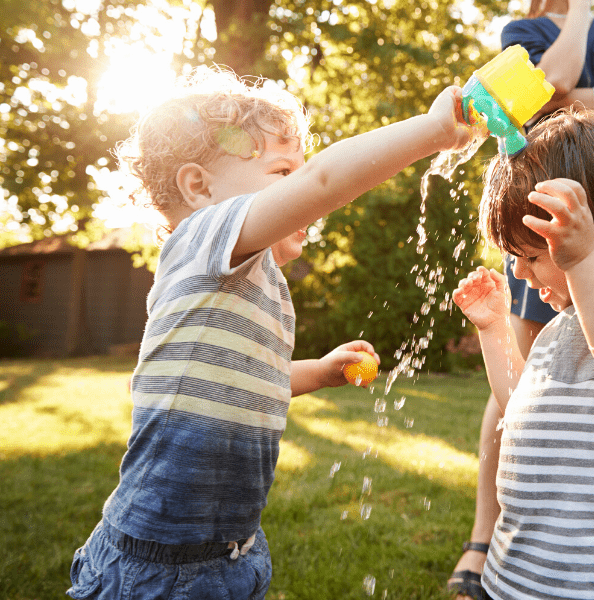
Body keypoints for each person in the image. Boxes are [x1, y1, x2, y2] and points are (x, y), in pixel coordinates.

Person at [65, 67, 475, 600]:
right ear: (199, 187)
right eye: (283, 173)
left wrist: (318, 372)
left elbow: (248, 381)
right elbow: (323, 184)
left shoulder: (259, 285)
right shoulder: (202, 239)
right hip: (157, 562)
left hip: (232, 551)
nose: (299, 192)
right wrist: (431, 130)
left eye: (297, 172)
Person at [447, 2, 594, 597]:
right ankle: (481, 542)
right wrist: (495, 332)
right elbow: (521, 406)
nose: (518, 271)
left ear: (587, 236)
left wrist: (583, 262)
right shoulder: (559, 322)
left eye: (530, 255)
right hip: (515, 581)